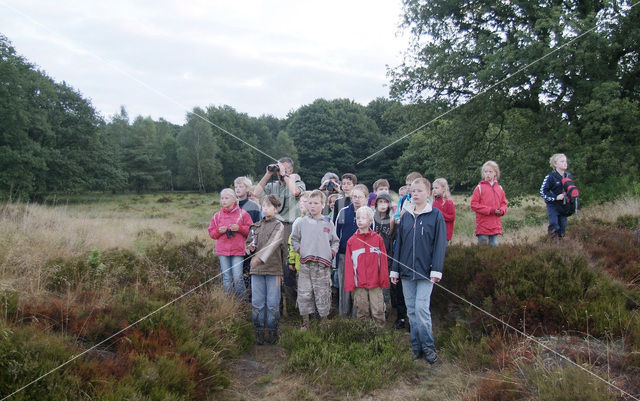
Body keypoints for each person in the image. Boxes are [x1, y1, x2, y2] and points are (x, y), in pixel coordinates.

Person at [390, 178, 447, 364]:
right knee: (412, 312)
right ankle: (416, 348)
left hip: (426, 273)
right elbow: (399, 246)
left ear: (428, 193)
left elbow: (439, 245)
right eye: (412, 191)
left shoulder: (436, 215)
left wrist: (436, 270)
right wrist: (395, 270)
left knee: (422, 310)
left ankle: (429, 348)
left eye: (419, 191)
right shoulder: (405, 216)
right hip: (406, 273)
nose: (415, 194)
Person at [254, 157, 306, 314]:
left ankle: (291, 309)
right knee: (274, 265)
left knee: (288, 268)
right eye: (278, 168)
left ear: (290, 170)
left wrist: (285, 176)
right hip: (273, 226)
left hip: (289, 227)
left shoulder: (297, 183)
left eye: (282, 168)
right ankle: (277, 308)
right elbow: (256, 193)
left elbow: (296, 192)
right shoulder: (273, 185)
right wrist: (268, 174)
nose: (279, 171)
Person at [290, 190, 339, 329]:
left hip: (323, 266)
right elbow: (294, 239)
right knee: (304, 293)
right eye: (310, 203)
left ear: (323, 205)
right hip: (306, 265)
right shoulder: (302, 222)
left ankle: (324, 321)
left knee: (322, 293)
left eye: (316, 203)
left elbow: (335, 241)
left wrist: (331, 253)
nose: (312, 206)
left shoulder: (328, 223)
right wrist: (301, 250)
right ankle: (305, 321)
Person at [246, 195, 284, 345]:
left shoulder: (279, 225)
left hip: (274, 270)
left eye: (269, 206)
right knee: (257, 302)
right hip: (256, 271)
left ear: (276, 209)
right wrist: (250, 249)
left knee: (273, 303)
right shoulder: (255, 227)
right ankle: (259, 333)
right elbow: (248, 244)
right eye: (263, 206)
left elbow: (274, 243)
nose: (265, 209)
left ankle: (273, 332)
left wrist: (260, 258)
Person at [344, 207, 389, 325]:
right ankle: (364, 339)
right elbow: (349, 265)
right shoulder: (351, 241)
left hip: (376, 282)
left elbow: (383, 261)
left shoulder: (378, 239)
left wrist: (384, 280)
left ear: (370, 221)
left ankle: (379, 338)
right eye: (358, 218)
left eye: (363, 218)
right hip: (359, 283)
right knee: (362, 311)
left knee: (378, 311)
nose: (360, 220)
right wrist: (350, 284)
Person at [208, 188, 254, 296]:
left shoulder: (243, 214)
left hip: (237, 250)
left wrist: (239, 228)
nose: (223, 200)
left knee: (237, 276)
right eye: (222, 198)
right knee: (226, 277)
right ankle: (229, 301)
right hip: (222, 251)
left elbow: (251, 231)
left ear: (234, 199)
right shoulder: (217, 216)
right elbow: (211, 233)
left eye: (226, 198)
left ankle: (242, 301)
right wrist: (218, 231)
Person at [335, 184, 369, 317]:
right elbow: (336, 235)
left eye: (360, 197)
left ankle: (357, 317)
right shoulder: (343, 212)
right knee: (344, 286)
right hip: (344, 255)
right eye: (354, 196)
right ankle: (343, 316)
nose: (356, 199)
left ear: (366, 198)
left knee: (359, 286)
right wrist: (337, 258)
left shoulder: (369, 214)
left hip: (361, 256)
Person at [373, 192, 405, 327]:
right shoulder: (371, 219)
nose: (382, 205)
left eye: (385, 202)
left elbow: (392, 241)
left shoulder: (392, 221)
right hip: (372, 259)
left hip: (387, 258)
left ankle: (386, 315)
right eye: (380, 202)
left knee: (387, 290)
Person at [470, 161, 508, 247]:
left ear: (495, 173)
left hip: (495, 224)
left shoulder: (500, 188)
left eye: (490, 171)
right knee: (483, 246)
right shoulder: (479, 188)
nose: (487, 174)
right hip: (483, 225)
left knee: (494, 246)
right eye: (485, 171)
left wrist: (502, 210)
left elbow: (504, 203)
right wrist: (490, 210)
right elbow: (474, 204)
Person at [235, 176, 261, 292]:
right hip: (234, 245)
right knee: (235, 274)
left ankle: (250, 298)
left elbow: (257, 227)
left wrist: (253, 244)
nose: (238, 189)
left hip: (249, 246)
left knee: (248, 272)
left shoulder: (254, 206)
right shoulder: (231, 205)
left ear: (247, 189)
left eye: (241, 186)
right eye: (236, 186)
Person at [540, 153, 573, 239]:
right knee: (554, 225)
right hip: (553, 205)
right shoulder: (550, 177)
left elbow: (571, 189)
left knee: (562, 228)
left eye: (565, 161)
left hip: (564, 205)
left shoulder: (568, 175)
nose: (565, 163)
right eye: (562, 161)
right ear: (555, 164)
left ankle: (561, 248)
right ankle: (552, 245)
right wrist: (555, 197)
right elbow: (543, 192)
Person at [431, 178, 456, 243]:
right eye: (433, 188)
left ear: (444, 188)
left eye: (436, 188)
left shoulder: (448, 202)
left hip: (445, 233)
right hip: (434, 232)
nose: (434, 190)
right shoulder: (434, 202)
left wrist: (439, 213)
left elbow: (452, 217)